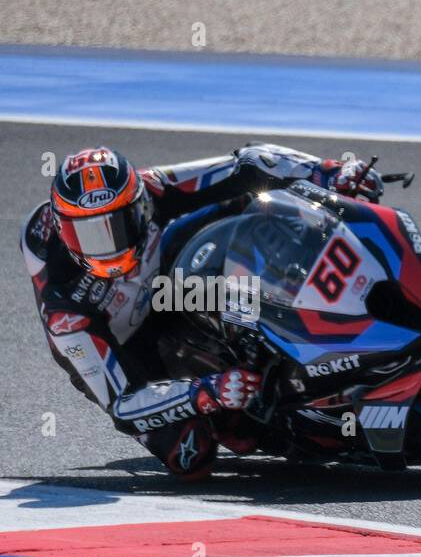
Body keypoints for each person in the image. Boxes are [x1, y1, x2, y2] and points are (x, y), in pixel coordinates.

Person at [19, 144, 383, 479]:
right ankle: (262, 413)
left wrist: (329, 172)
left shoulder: (151, 188)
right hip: (126, 345)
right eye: (89, 235)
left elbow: (248, 163)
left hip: (163, 280)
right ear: (65, 230)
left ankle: (316, 308)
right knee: (192, 455)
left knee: (252, 206)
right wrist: (207, 392)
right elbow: (124, 406)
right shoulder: (64, 311)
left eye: (117, 225)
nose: (106, 247)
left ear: (138, 205)